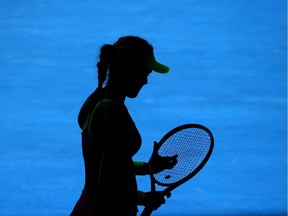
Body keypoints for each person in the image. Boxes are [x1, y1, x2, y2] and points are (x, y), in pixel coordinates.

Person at [70, 35, 178, 216]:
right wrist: (141, 198)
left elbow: (108, 164)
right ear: (129, 69)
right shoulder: (112, 115)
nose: (145, 81)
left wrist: (147, 168)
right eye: (145, 72)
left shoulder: (95, 102)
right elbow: (107, 184)